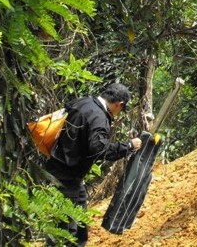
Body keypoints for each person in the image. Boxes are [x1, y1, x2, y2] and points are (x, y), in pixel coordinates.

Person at [45, 83, 142, 246]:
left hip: (60, 168)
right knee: (66, 230)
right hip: (67, 176)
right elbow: (99, 149)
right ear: (119, 104)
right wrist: (129, 146)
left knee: (80, 226)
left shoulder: (83, 102)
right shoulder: (99, 117)